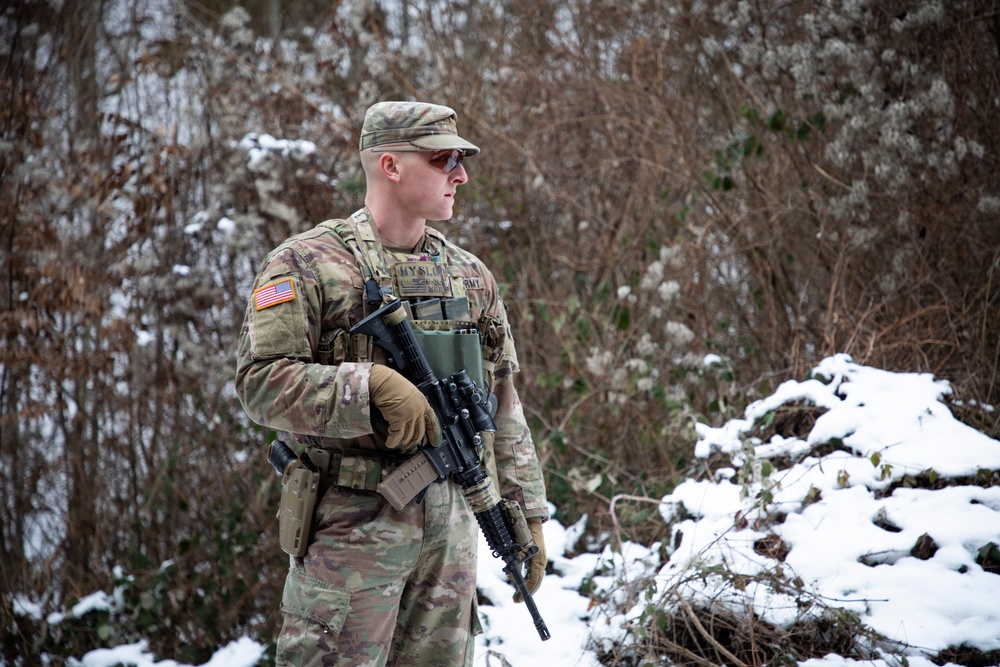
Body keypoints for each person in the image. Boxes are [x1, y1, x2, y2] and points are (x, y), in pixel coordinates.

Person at [235, 101, 549, 667]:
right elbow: (260, 383)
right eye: (444, 158)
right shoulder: (308, 265)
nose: (462, 174)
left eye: (461, 159)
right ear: (390, 165)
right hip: (351, 531)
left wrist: (526, 513)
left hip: (451, 535)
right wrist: (369, 386)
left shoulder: (470, 276)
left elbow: (503, 401)